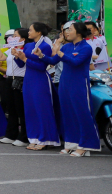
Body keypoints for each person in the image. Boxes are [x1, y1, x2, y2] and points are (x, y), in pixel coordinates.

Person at [42, 22, 101, 156]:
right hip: (64, 84)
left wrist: (60, 53)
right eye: (66, 30)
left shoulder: (86, 47)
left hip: (79, 85)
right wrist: (41, 55)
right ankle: (71, 143)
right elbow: (52, 61)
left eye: (70, 30)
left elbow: (75, 62)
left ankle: (86, 144)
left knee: (82, 114)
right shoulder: (67, 47)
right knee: (67, 114)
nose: (66, 32)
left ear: (79, 32)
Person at [12, 24, 58, 149]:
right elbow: (21, 65)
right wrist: (17, 56)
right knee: (30, 109)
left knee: (41, 109)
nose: (28, 32)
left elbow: (42, 67)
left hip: (40, 80)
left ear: (38, 32)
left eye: (31, 30)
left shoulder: (45, 46)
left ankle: (45, 138)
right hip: (28, 79)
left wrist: (25, 59)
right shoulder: (28, 45)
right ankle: (34, 137)